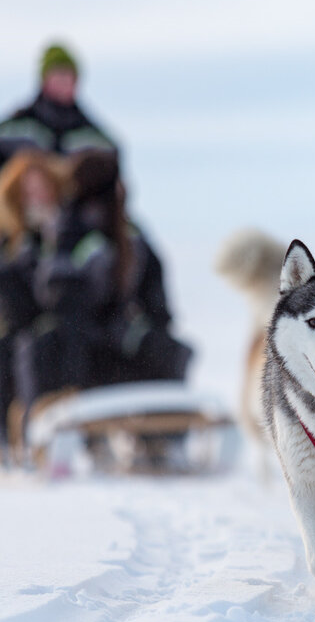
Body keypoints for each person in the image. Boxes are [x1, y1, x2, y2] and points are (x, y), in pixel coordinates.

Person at [13, 150, 192, 430]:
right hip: (82, 341)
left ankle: (162, 433)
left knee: (167, 350)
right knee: (49, 347)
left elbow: (155, 294)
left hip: (116, 338)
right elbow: (60, 293)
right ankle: (51, 435)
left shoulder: (131, 235)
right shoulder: (68, 230)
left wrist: (145, 328)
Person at [0, 149, 70, 461]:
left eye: (42, 188)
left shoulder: (66, 233)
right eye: (28, 190)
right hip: (12, 323)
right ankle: (4, 439)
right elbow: (6, 289)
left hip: (56, 324)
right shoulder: (9, 240)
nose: (37, 197)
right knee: (4, 351)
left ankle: (53, 433)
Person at [0, 43, 117, 214]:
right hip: (22, 226)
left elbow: (113, 185)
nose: (65, 83)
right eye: (58, 75)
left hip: (73, 227)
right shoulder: (12, 130)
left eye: (70, 77)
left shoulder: (95, 138)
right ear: (45, 79)